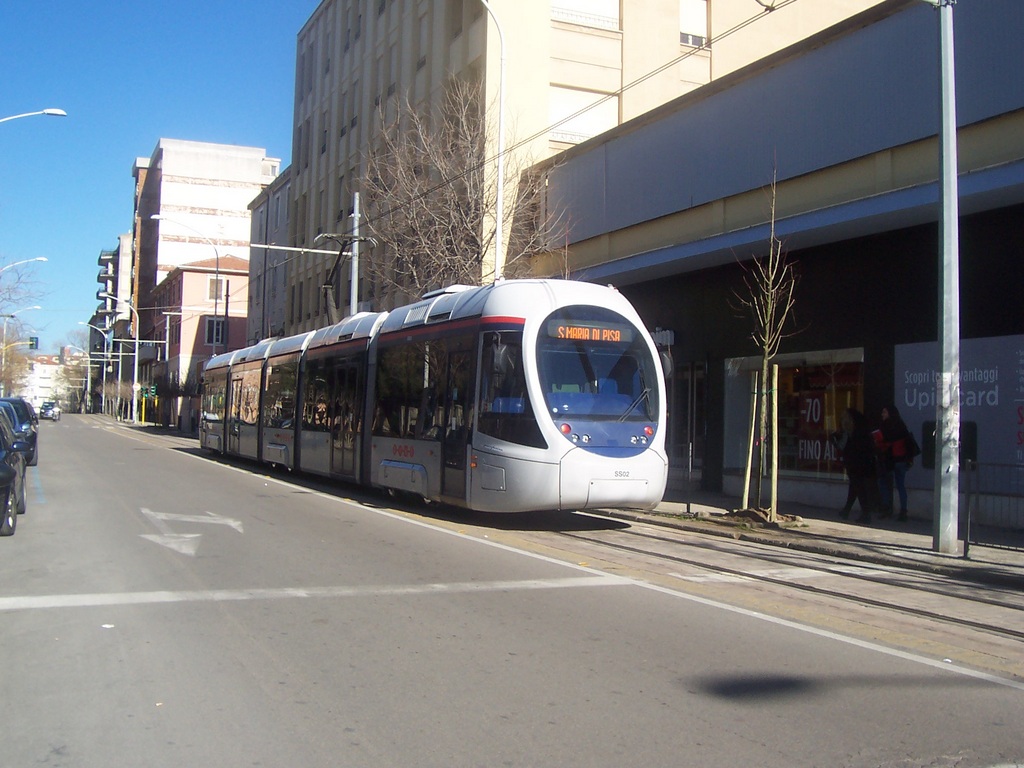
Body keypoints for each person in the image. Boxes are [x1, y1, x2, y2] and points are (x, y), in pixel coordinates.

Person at [835, 408, 877, 523]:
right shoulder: (861, 432)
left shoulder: (854, 433)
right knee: (855, 487)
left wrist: (835, 439)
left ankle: (865, 513)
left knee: (859, 487)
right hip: (859, 463)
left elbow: (844, 447)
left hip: (856, 464)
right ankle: (847, 510)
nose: (842, 421)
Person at [877, 405, 916, 522]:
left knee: (884, 483)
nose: (882, 414)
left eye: (884, 412)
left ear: (889, 413)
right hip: (902, 460)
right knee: (900, 486)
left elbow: (885, 442)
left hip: (890, 460)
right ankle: (903, 511)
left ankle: (887, 509)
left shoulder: (886, 426)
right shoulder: (901, 425)